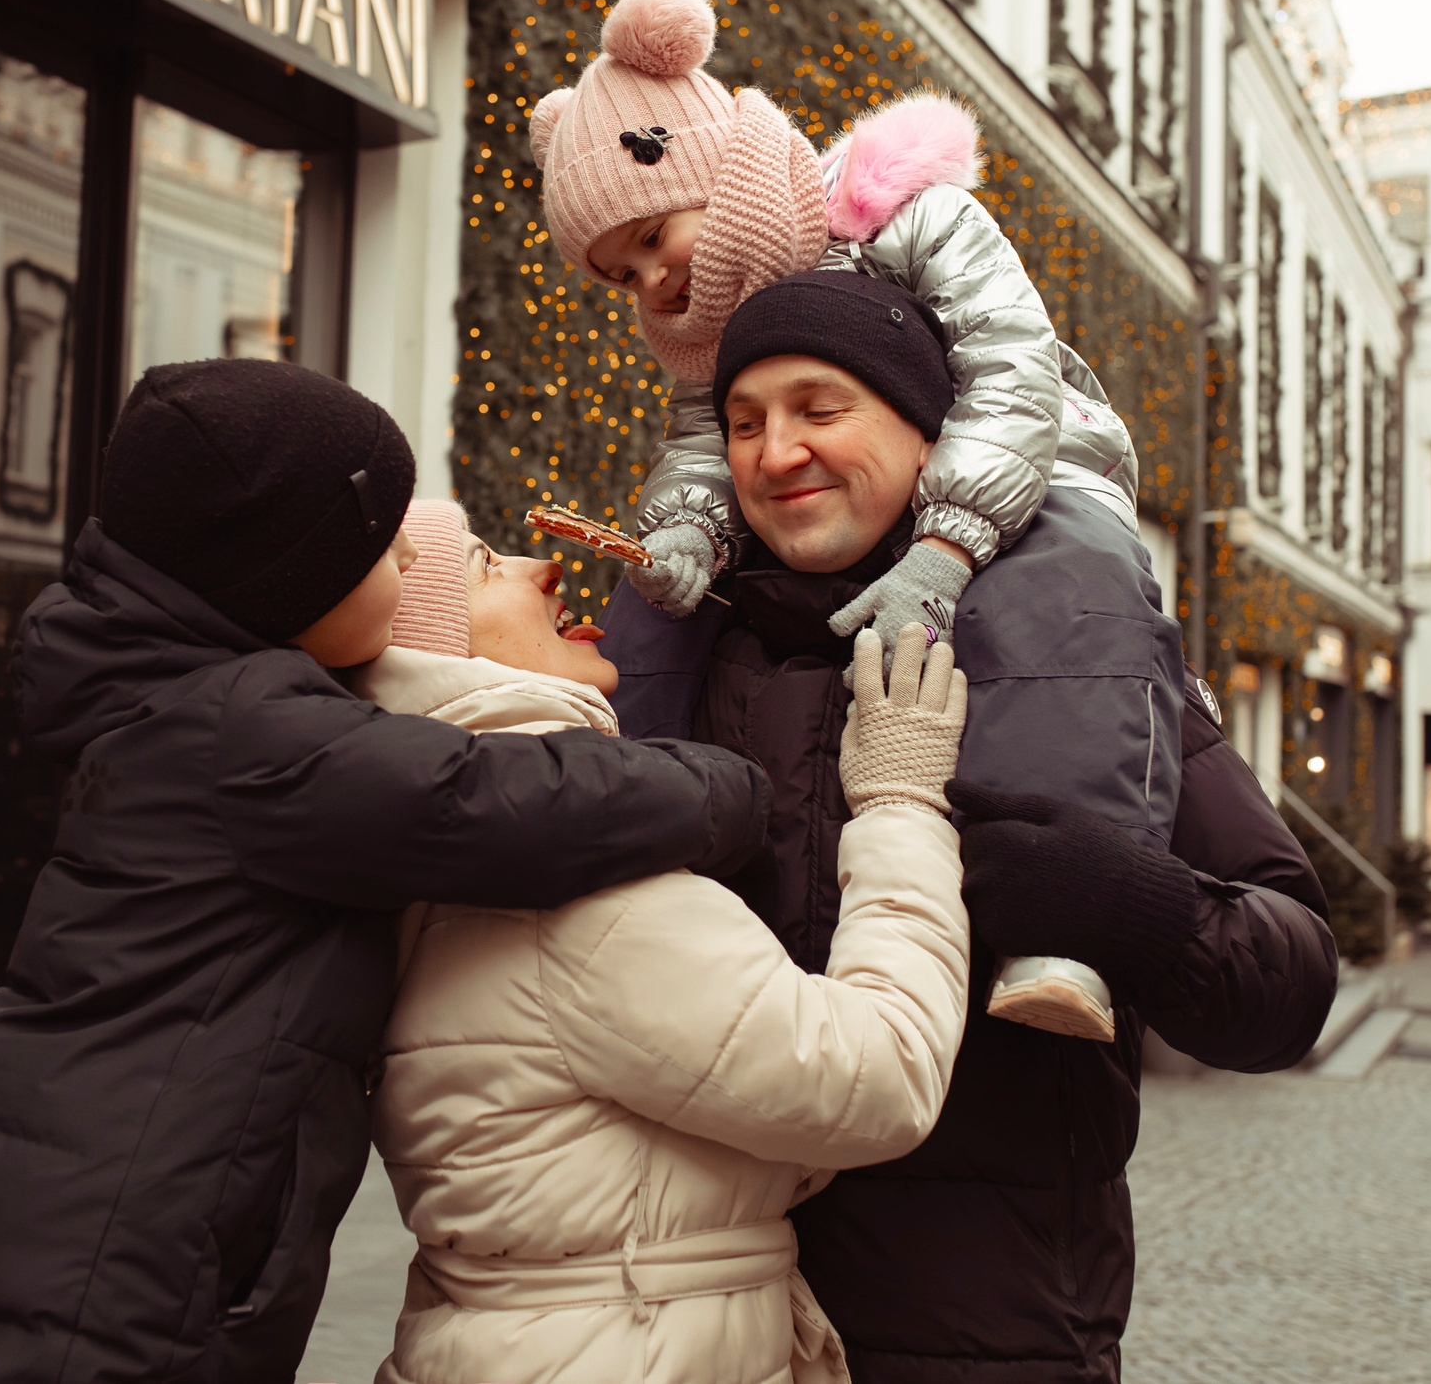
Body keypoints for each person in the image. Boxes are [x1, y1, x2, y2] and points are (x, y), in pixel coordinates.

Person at [0, 360, 771, 1384]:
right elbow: (497, 800)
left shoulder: (195, 711)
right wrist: (732, 787)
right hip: (95, 1279)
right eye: (383, 546)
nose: (409, 554)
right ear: (289, 577)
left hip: (58, 1238)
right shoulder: (252, 737)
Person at [602, 279, 1340, 1384]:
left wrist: (1128, 905)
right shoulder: (675, 659)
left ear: (930, 434)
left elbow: (1290, 985)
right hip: (699, 1322)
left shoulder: (1082, 652)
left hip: (990, 1328)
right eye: (744, 423)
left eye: (819, 409)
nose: (777, 452)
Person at [528, 0, 1145, 1036]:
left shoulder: (898, 212)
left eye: (652, 235)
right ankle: (614, 847)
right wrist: (684, 533)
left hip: (1034, 455)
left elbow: (1011, 367)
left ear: (707, 173)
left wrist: (947, 545)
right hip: (895, 505)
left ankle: (1062, 923)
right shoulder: (703, 330)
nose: (652, 279)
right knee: (653, 610)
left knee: (1066, 589)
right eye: (621, 273)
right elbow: (698, 446)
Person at [345, 500, 971, 1383]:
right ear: (434, 651)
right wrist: (900, 804)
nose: (544, 567)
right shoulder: (567, 884)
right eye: (486, 566)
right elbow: (883, 1072)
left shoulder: (437, 846)